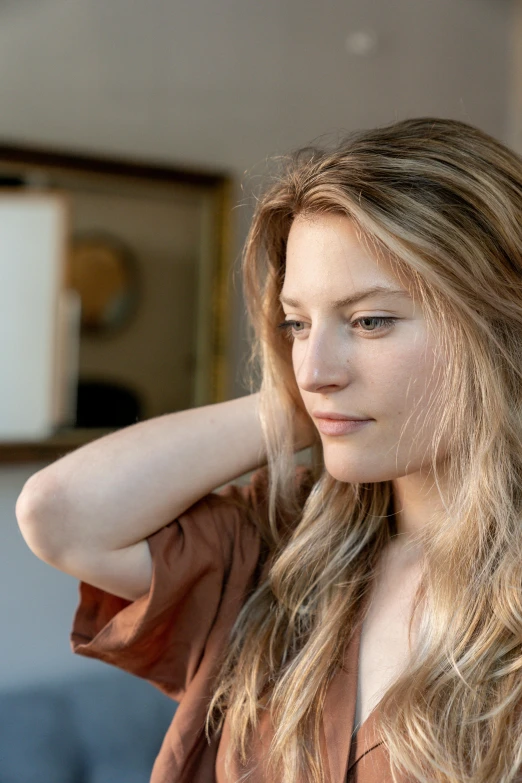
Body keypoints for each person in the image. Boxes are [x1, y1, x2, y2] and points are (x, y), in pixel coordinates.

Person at [15, 116, 522, 783]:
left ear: (500, 325)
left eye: (370, 320)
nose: (314, 367)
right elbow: (60, 513)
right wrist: (291, 407)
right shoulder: (276, 551)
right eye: (297, 323)